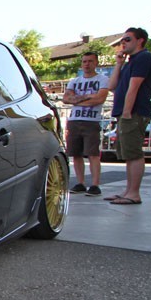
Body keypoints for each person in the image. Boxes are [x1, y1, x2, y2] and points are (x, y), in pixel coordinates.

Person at [105, 27, 151, 205]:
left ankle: (134, 193)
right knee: (128, 153)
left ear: (140, 40)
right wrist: (119, 63)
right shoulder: (130, 62)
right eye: (122, 40)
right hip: (125, 113)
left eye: (127, 39)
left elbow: (134, 87)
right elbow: (112, 86)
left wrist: (127, 112)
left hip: (134, 112)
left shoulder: (144, 58)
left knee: (134, 153)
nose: (123, 43)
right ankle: (128, 191)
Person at [63, 52, 110, 196]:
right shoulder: (74, 81)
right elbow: (66, 98)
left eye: (90, 61)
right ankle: (80, 183)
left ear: (96, 63)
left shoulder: (102, 80)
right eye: (84, 61)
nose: (87, 64)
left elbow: (99, 99)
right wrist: (88, 97)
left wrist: (77, 100)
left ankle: (95, 184)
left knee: (92, 153)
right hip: (74, 120)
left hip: (92, 121)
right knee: (75, 153)